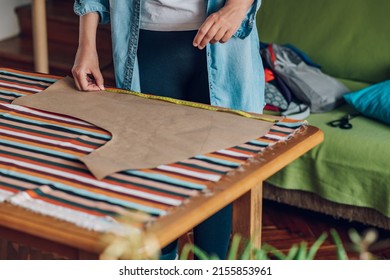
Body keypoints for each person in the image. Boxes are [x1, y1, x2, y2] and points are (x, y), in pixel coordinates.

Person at [72, 0, 265, 260]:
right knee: (152, 176)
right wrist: (87, 46)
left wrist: (238, 7)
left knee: (215, 173)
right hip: (145, 43)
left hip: (224, 41)